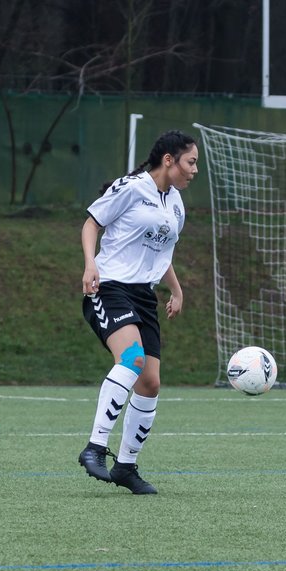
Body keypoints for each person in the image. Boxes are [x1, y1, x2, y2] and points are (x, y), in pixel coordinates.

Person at [78, 129, 196, 495]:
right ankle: (95, 446)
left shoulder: (175, 203)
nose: (194, 171)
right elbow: (91, 223)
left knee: (150, 382)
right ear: (168, 160)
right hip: (110, 286)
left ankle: (126, 466)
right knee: (132, 360)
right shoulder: (131, 187)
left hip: (144, 296)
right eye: (190, 163)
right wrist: (89, 265)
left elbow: (163, 254)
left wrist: (175, 288)